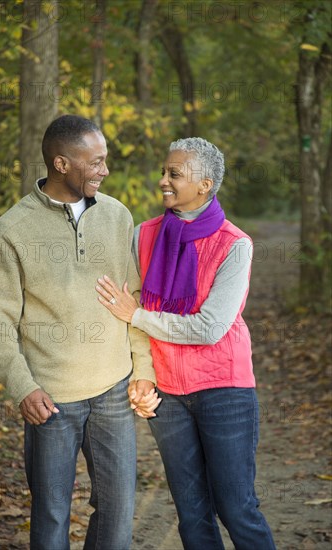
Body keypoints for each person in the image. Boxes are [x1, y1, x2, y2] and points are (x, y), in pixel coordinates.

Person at [0, 114, 160, 550]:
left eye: (105, 160)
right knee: (52, 512)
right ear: (61, 163)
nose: (105, 170)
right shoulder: (13, 229)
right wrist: (23, 387)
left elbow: (131, 298)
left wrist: (143, 368)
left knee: (117, 510)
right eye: (95, 162)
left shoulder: (117, 216)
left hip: (113, 389)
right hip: (51, 397)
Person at [96, 137, 277, 549]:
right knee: (192, 515)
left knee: (237, 509)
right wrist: (142, 374)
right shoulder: (144, 235)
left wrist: (137, 314)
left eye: (174, 174)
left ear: (205, 184)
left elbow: (209, 327)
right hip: (168, 395)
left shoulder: (235, 245)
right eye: (163, 171)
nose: (163, 180)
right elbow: (132, 308)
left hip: (224, 391)